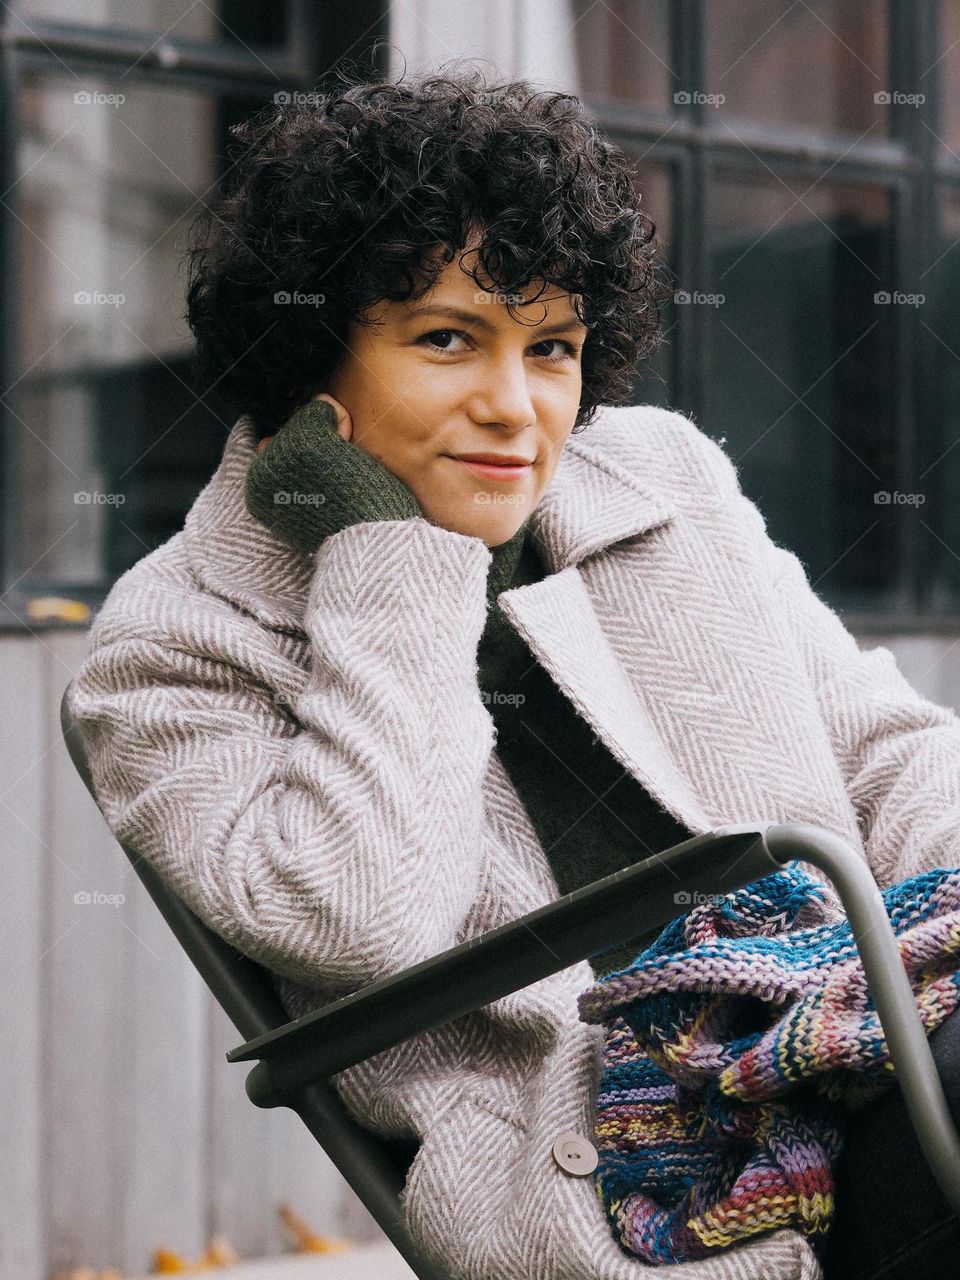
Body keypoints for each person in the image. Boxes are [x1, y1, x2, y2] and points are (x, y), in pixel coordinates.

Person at [66, 64, 960, 1280]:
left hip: (844, 1025)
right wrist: (387, 557)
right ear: (307, 354)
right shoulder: (174, 648)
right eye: (446, 339)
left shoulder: (659, 474)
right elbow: (359, 921)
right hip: (642, 1163)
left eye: (551, 348)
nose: (513, 407)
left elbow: (882, 749)